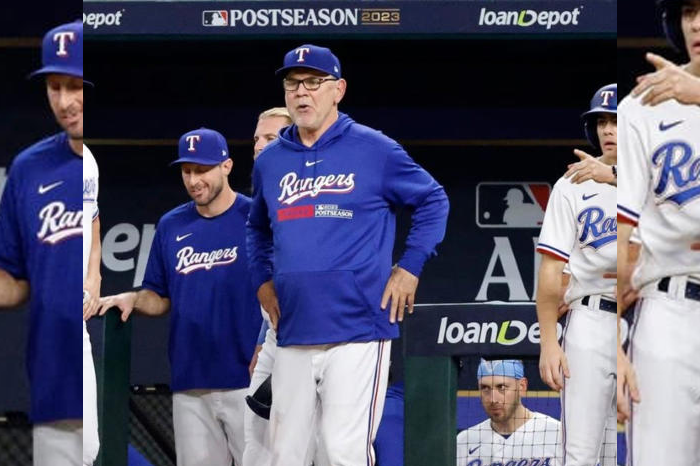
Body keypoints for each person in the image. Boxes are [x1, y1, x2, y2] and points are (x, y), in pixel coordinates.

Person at [246, 44, 449, 465]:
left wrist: (409, 267)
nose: (301, 93)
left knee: (343, 453)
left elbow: (433, 200)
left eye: (313, 83)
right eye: (292, 83)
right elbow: (257, 229)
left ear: (338, 89)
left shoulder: (373, 149)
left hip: (358, 328)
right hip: (294, 329)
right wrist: (262, 281)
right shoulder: (271, 162)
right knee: (285, 455)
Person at [98, 128, 262, 466]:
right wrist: (133, 298)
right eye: (187, 171)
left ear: (227, 166)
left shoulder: (254, 218)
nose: (193, 179)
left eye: (202, 169)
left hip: (248, 378)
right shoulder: (172, 225)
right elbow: (159, 297)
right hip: (191, 383)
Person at [617, 0, 700, 463]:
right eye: (688, 10)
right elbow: (621, 227)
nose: (697, 22)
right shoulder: (642, 106)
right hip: (671, 313)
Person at [0, 21, 85, 466]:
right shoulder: (29, 168)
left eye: (75, 85)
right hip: (55, 381)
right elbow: (14, 284)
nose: (65, 102)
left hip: (121, 375)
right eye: (55, 87)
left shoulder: (170, 166)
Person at [536, 84, 618, 465]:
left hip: (652, 313)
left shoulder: (661, 176)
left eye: (616, 120)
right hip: (592, 318)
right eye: (601, 121)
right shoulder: (572, 184)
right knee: (581, 452)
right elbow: (552, 268)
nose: (607, 129)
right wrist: (549, 341)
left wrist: (617, 174)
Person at [456, 360, 561, 466]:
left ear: (522, 387)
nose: (493, 399)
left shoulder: (557, 434)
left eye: (501, 387)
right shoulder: (464, 440)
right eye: (485, 388)